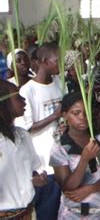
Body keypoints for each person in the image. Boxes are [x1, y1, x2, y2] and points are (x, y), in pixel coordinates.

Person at [50, 92, 100, 219]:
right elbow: (68, 187)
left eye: (86, 112)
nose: (83, 117)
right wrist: (84, 159)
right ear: (65, 115)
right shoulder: (60, 147)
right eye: (76, 113)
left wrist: (92, 188)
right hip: (73, 215)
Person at [15, 42, 64, 219]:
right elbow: (27, 127)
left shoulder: (60, 83)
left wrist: (63, 120)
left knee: (60, 209)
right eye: (58, 60)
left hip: (62, 158)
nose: (62, 65)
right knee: (47, 211)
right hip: (44, 162)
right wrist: (55, 116)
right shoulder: (28, 90)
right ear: (44, 61)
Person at [0, 80, 47, 219]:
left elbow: (33, 169)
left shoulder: (23, 135)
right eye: (18, 97)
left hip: (28, 213)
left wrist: (37, 178)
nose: (24, 100)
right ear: (3, 104)